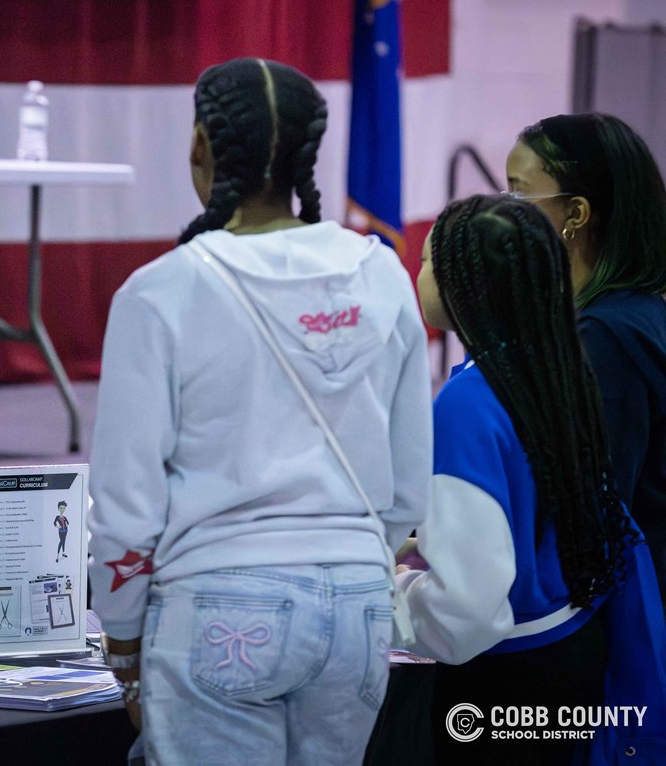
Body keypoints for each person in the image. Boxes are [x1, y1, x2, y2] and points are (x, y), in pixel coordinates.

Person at [87, 57, 432, 764]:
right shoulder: (383, 273)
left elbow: (127, 496)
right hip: (359, 605)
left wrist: (122, 637)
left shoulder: (161, 290)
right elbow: (408, 480)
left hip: (219, 602)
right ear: (312, 150)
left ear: (199, 146)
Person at [403, 194, 650, 764]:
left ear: (463, 284)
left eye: (426, 263)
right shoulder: (552, 365)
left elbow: (466, 615)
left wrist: (386, 599)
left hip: (503, 681)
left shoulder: (465, 404)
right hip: (572, 649)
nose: (417, 274)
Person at [505, 114, 666, 601]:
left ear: (576, 213)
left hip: (624, 614)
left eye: (518, 194)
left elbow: (596, 509)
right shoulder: (624, 312)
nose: (504, 212)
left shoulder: (606, 334)